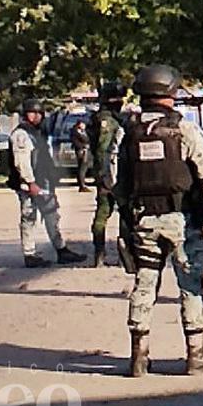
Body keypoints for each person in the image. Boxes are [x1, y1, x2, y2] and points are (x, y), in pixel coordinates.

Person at [109, 65, 203, 377]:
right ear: (171, 92)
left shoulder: (126, 130)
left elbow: (113, 178)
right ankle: (195, 354)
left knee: (144, 283)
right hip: (181, 221)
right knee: (190, 283)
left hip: (143, 220)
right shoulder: (182, 129)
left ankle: (138, 356)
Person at [8, 98, 86, 268]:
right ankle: (30, 254)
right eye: (32, 112)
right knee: (29, 218)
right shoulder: (21, 134)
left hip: (43, 182)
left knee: (52, 216)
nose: (36, 116)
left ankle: (61, 250)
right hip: (30, 185)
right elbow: (22, 162)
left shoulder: (37, 132)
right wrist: (30, 182)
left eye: (39, 113)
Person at [89, 81, 126, 268]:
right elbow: (103, 150)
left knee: (104, 214)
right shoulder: (107, 120)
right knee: (120, 214)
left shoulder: (105, 118)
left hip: (105, 173)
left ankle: (102, 254)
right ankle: (105, 254)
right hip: (111, 174)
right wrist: (106, 176)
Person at [71, 120, 90, 192]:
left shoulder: (84, 131)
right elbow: (75, 142)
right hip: (81, 151)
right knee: (82, 168)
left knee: (84, 168)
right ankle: (82, 185)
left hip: (86, 151)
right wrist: (83, 146)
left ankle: (83, 184)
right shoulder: (75, 132)